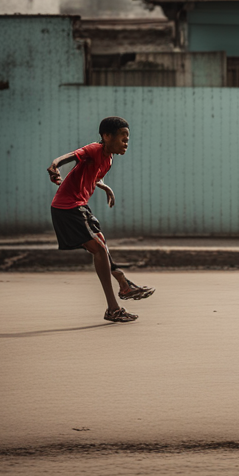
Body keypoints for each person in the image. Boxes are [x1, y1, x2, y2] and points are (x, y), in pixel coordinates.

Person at [47, 116, 154, 323]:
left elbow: (95, 176)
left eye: (127, 138)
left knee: (101, 245)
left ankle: (123, 284)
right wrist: (54, 166)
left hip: (77, 207)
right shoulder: (94, 149)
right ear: (106, 136)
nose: (126, 142)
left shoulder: (108, 159)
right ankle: (115, 304)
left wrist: (105, 188)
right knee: (98, 248)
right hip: (68, 207)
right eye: (123, 137)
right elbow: (71, 156)